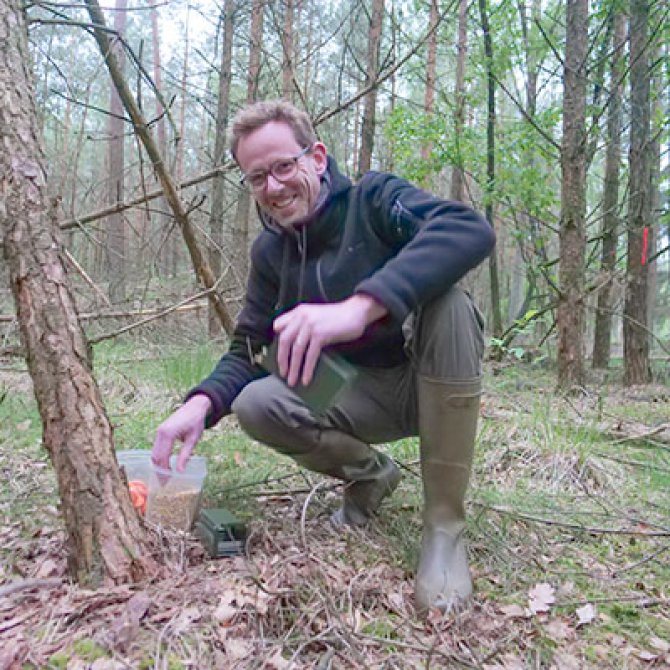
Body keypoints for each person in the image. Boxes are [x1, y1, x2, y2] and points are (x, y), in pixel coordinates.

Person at [152, 100, 496, 615]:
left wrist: (361, 307)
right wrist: (201, 403)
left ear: (316, 156)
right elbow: (251, 346)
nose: (273, 187)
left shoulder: (374, 201)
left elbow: (470, 230)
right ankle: (371, 474)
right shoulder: (271, 254)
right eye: (257, 177)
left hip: (429, 381)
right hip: (359, 398)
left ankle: (444, 527)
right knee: (257, 402)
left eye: (284, 167)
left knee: (449, 302)